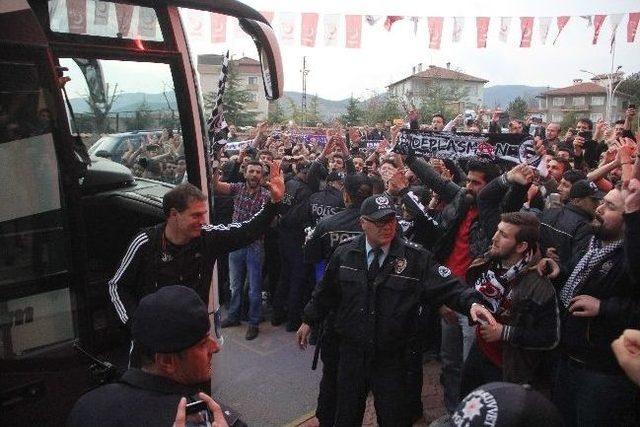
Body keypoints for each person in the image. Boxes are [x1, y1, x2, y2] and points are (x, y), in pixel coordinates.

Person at [297, 194, 496, 426]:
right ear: (363, 223)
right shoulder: (345, 253)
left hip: (392, 358)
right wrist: (308, 320)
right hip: (352, 354)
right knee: (346, 415)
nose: (388, 227)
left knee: (394, 418)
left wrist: (471, 302)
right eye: (380, 222)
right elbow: (326, 292)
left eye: (391, 220)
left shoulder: (415, 258)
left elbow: (448, 285)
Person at [107, 174, 284, 331]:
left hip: (195, 334)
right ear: (174, 214)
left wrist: (274, 203)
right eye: (196, 215)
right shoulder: (146, 242)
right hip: (155, 339)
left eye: (203, 214)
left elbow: (246, 231)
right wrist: (136, 324)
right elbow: (117, 285)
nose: (203, 221)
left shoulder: (208, 238)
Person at [543, 182, 640, 426]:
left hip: (603, 373)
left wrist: (603, 307)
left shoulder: (631, 262)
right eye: (601, 202)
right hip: (568, 359)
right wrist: (560, 271)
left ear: (629, 219)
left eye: (609, 206)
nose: (598, 209)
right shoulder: (594, 244)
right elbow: (580, 283)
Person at [68, 286, 231, 427]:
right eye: (202, 344)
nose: (215, 347)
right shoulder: (206, 418)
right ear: (167, 361)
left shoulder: (85, 407)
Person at [459, 212, 560, 396]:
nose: (494, 238)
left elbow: (549, 337)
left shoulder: (538, 284)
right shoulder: (490, 260)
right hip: (480, 350)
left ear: (521, 246)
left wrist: (503, 332)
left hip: (508, 367)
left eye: (504, 235)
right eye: (498, 231)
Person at [215, 161, 272, 340]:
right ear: (245, 173)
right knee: (234, 285)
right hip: (236, 244)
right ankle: (233, 316)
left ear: (261, 176)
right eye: (251, 171)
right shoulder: (237, 188)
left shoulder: (266, 195)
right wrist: (214, 169)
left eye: (258, 172)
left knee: (254, 289)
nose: (255, 174)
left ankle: (253, 322)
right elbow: (216, 186)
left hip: (255, 246)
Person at [539, 179, 602, 286]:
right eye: (593, 200)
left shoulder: (548, 213)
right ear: (577, 201)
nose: (598, 204)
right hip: (561, 284)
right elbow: (579, 266)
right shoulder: (585, 227)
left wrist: (543, 252)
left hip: (540, 278)